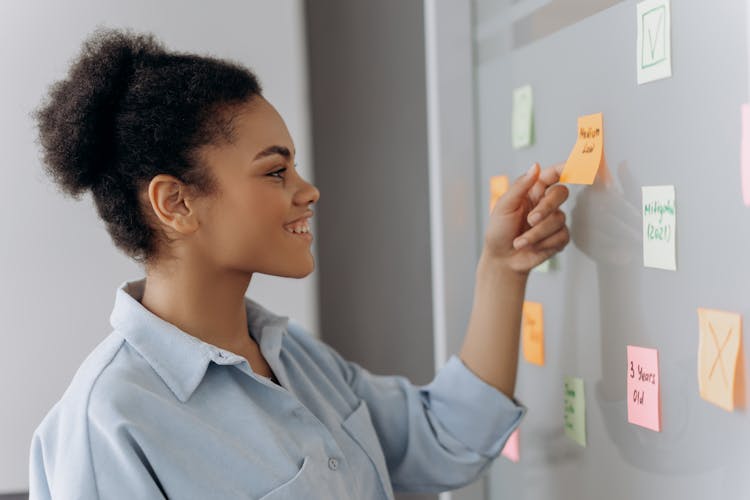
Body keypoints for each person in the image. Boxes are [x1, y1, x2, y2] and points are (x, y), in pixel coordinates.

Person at [28, 28, 569, 500]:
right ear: (177, 203)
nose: (307, 191)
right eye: (274, 172)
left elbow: (444, 439)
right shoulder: (106, 423)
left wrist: (503, 267)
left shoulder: (296, 357)